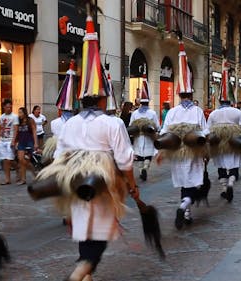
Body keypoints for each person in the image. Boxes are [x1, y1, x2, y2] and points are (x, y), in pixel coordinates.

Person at [34, 15, 139, 281]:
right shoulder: (112, 123)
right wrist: (132, 185)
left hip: (77, 181)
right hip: (102, 182)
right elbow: (125, 160)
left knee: (83, 227)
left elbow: (59, 158)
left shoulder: (68, 125)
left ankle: (86, 276)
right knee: (101, 232)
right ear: (103, 97)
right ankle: (80, 271)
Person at [158, 90, 208, 229]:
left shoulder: (172, 111)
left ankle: (187, 214)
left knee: (184, 183)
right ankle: (184, 206)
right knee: (193, 182)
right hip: (193, 151)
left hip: (176, 152)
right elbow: (205, 131)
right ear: (191, 96)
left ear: (179, 96)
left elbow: (164, 132)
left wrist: (160, 152)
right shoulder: (198, 111)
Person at [206, 99, 241, 203]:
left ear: (220, 103)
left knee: (220, 164)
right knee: (234, 163)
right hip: (234, 140)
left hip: (218, 141)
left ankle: (224, 188)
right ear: (230, 103)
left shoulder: (214, 113)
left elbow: (207, 129)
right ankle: (230, 183)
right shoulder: (237, 112)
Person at [129, 90, 160, 181]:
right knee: (148, 154)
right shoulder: (152, 113)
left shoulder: (135, 113)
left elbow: (131, 125)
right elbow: (157, 126)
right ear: (148, 102)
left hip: (138, 136)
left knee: (139, 155)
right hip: (149, 137)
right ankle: (145, 167)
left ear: (140, 102)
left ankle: (141, 170)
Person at [0, 99, 19, 185]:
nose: (9, 108)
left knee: (9, 160)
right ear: (4, 107)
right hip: (2, 140)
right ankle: (7, 178)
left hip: (10, 140)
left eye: (10, 107)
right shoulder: (1, 117)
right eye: (7, 107)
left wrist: (14, 140)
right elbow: (0, 129)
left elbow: (16, 129)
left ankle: (17, 168)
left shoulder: (14, 117)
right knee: (5, 160)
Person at [15, 107, 38, 185]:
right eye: (19, 113)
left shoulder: (30, 120)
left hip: (29, 142)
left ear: (24, 113)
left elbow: (34, 131)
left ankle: (33, 173)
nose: (19, 114)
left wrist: (35, 143)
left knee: (26, 160)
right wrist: (15, 141)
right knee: (21, 160)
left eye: (21, 112)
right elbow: (16, 132)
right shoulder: (18, 121)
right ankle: (24, 178)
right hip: (21, 142)